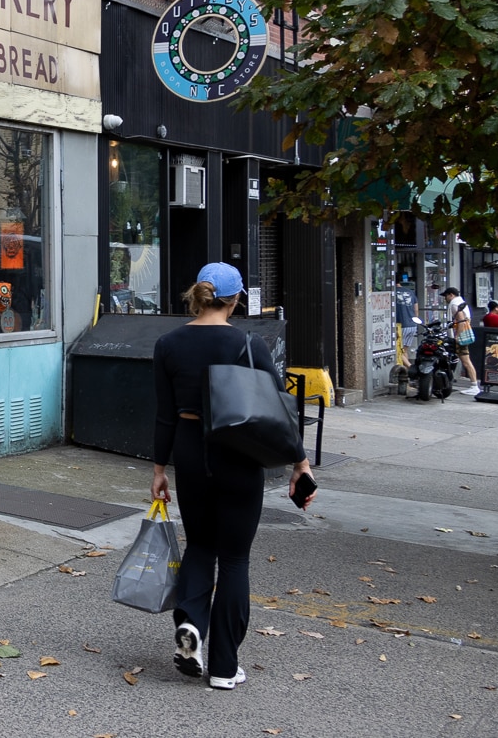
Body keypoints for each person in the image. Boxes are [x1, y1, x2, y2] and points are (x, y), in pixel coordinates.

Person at [151, 262, 315, 691]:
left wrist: (157, 469)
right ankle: (224, 667)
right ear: (235, 299)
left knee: (201, 545)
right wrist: (300, 463)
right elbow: (280, 411)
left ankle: (191, 626)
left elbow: (164, 416)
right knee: (236, 558)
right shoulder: (249, 344)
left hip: (189, 452)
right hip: (238, 454)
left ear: (197, 295)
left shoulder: (168, 344)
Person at [441, 287, 480, 388]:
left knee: (466, 361)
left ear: (451, 295)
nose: (445, 299)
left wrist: (457, 336)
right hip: (464, 334)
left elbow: (461, 321)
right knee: (463, 360)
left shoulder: (454, 304)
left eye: (446, 296)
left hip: (461, 336)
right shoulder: (461, 302)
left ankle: (474, 385)